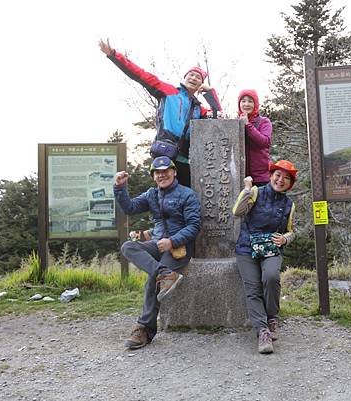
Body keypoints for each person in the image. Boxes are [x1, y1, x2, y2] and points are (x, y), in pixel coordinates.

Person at [99, 38, 221, 187]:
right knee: (166, 195)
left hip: (185, 157)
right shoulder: (169, 91)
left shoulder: (198, 107)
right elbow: (140, 75)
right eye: (191, 75)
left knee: (187, 195)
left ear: (201, 84)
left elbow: (218, 120)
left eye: (198, 77)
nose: (194, 78)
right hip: (165, 151)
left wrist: (211, 93)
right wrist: (113, 54)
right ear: (185, 77)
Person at [114, 156, 201, 349]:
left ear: (174, 172)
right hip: (157, 243)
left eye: (166, 171)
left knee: (152, 282)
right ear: (153, 176)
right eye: (157, 172)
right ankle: (163, 272)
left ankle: (144, 330)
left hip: (179, 247)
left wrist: (172, 241)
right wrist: (120, 188)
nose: (162, 175)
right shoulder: (151, 195)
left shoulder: (187, 194)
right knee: (128, 246)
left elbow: (194, 226)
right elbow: (129, 207)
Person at [232, 160, 298, 354]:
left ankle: (272, 318)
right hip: (246, 248)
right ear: (271, 176)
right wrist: (246, 189)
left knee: (271, 277)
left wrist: (285, 239)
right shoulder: (256, 192)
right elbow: (237, 212)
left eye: (286, 178)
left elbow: (291, 231)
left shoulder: (289, 204)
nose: (281, 180)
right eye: (278, 175)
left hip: (271, 249)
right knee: (252, 288)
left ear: (290, 183)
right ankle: (262, 332)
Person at [238, 89, 272, 186]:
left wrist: (248, 125)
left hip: (261, 177)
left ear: (255, 104)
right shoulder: (235, 122)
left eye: (250, 101)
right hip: (241, 177)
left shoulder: (264, 122)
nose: (246, 104)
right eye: (243, 101)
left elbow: (264, 142)